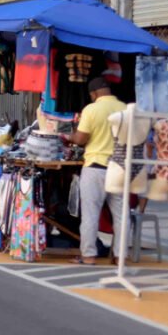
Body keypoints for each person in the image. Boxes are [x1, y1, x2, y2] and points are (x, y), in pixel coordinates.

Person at [65, 77, 127, 265]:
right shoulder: (125, 108)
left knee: (91, 214)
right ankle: (119, 256)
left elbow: (82, 139)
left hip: (95, 167)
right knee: (121, 216)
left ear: (94, 94)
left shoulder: (91, 110)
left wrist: (70, 136)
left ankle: (89, 256)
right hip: (120, 168)